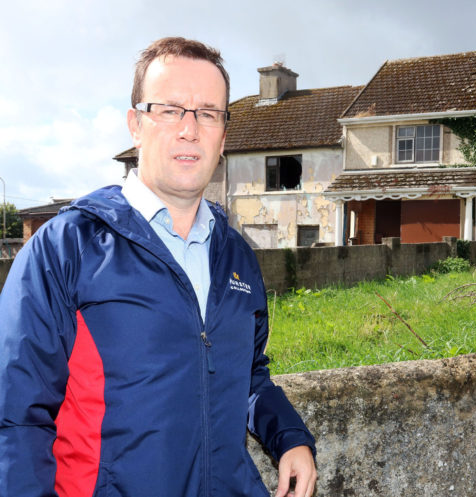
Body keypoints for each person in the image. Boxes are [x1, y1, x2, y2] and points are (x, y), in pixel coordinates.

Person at [0, 37, 316, 497]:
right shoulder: (66, 248)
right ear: (136, 124)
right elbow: (15, 415)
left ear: (223, 135)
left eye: (208, 113)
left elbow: (246, 375)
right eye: (170, 109)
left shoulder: (237, 255)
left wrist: (289, 437)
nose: (190, 129)